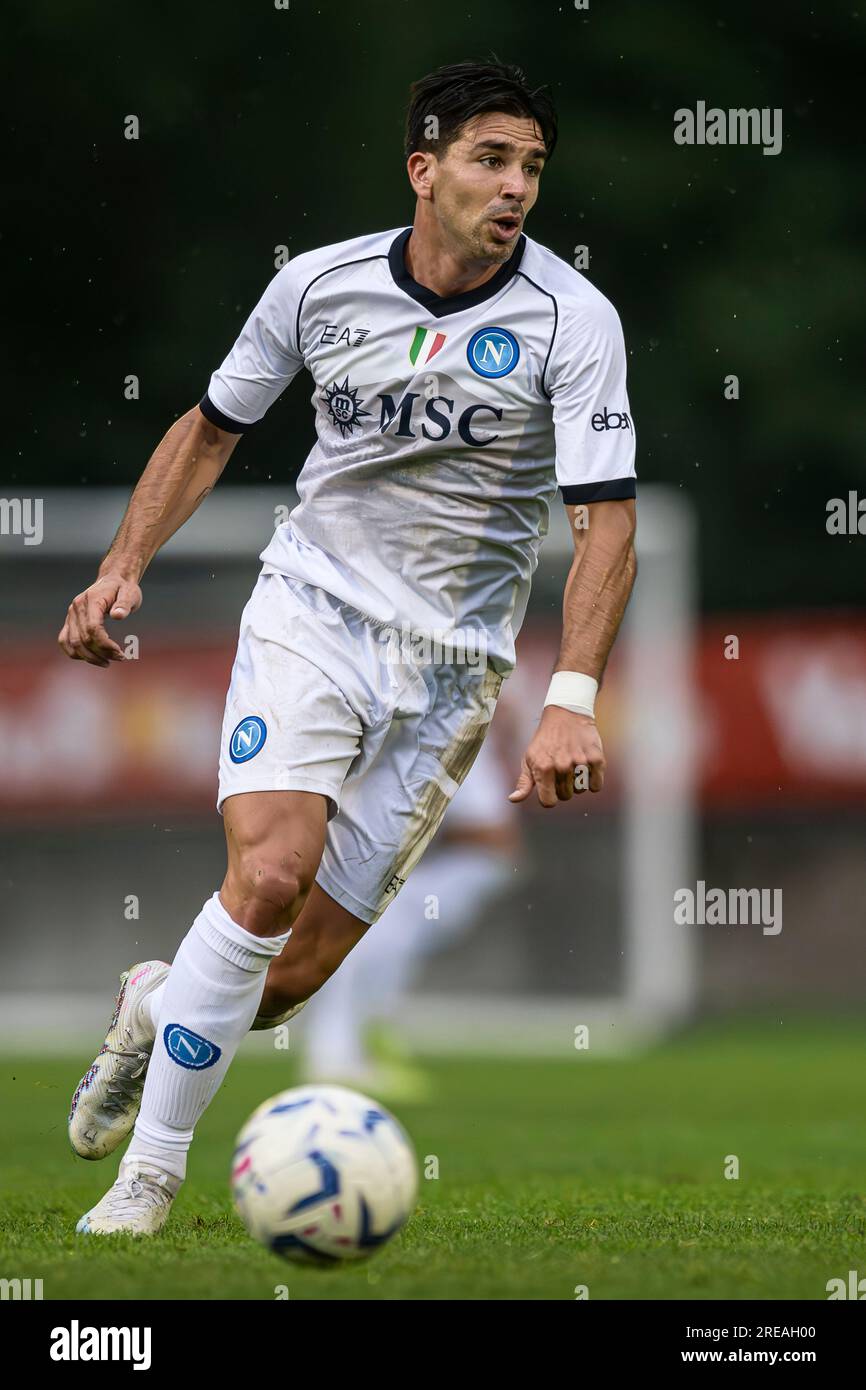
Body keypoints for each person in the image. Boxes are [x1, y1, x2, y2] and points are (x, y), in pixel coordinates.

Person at [58, 57, 637, 1236]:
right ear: (423, 171)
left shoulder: (573, 321)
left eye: (530, 165)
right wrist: (124, 564)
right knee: (267, 873)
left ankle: (154, 1004)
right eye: (489, 158)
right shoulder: (316, 286)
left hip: (449, 672)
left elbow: (604, 519)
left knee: (283, 982)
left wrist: (570, 693)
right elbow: (212, 431)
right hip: (311, 614)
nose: (515, 184)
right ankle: (150, 1178)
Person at [302, 729, 523, 1099]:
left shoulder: (454, 734)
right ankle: (348, 1046)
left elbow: (493, 838)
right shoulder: (411, 734)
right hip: (425, 865)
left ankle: (357, 1037)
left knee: (376, 933)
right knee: (370, 934)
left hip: (455, 868)